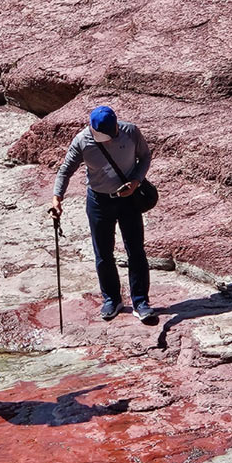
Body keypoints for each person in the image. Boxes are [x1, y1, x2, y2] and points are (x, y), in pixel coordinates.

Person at [52, 105, 156, 323]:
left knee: (136, 251)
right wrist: (57, 199)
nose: (107, 139)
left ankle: (140, 301)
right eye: (102, 136)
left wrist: (136, 181)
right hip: (99, 201)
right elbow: (65, 171)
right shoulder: (82, 141)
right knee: (103, 253)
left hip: (128, 199)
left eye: (110, 134)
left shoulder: (131, 132)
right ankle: (112, 299)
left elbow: (145, 157)